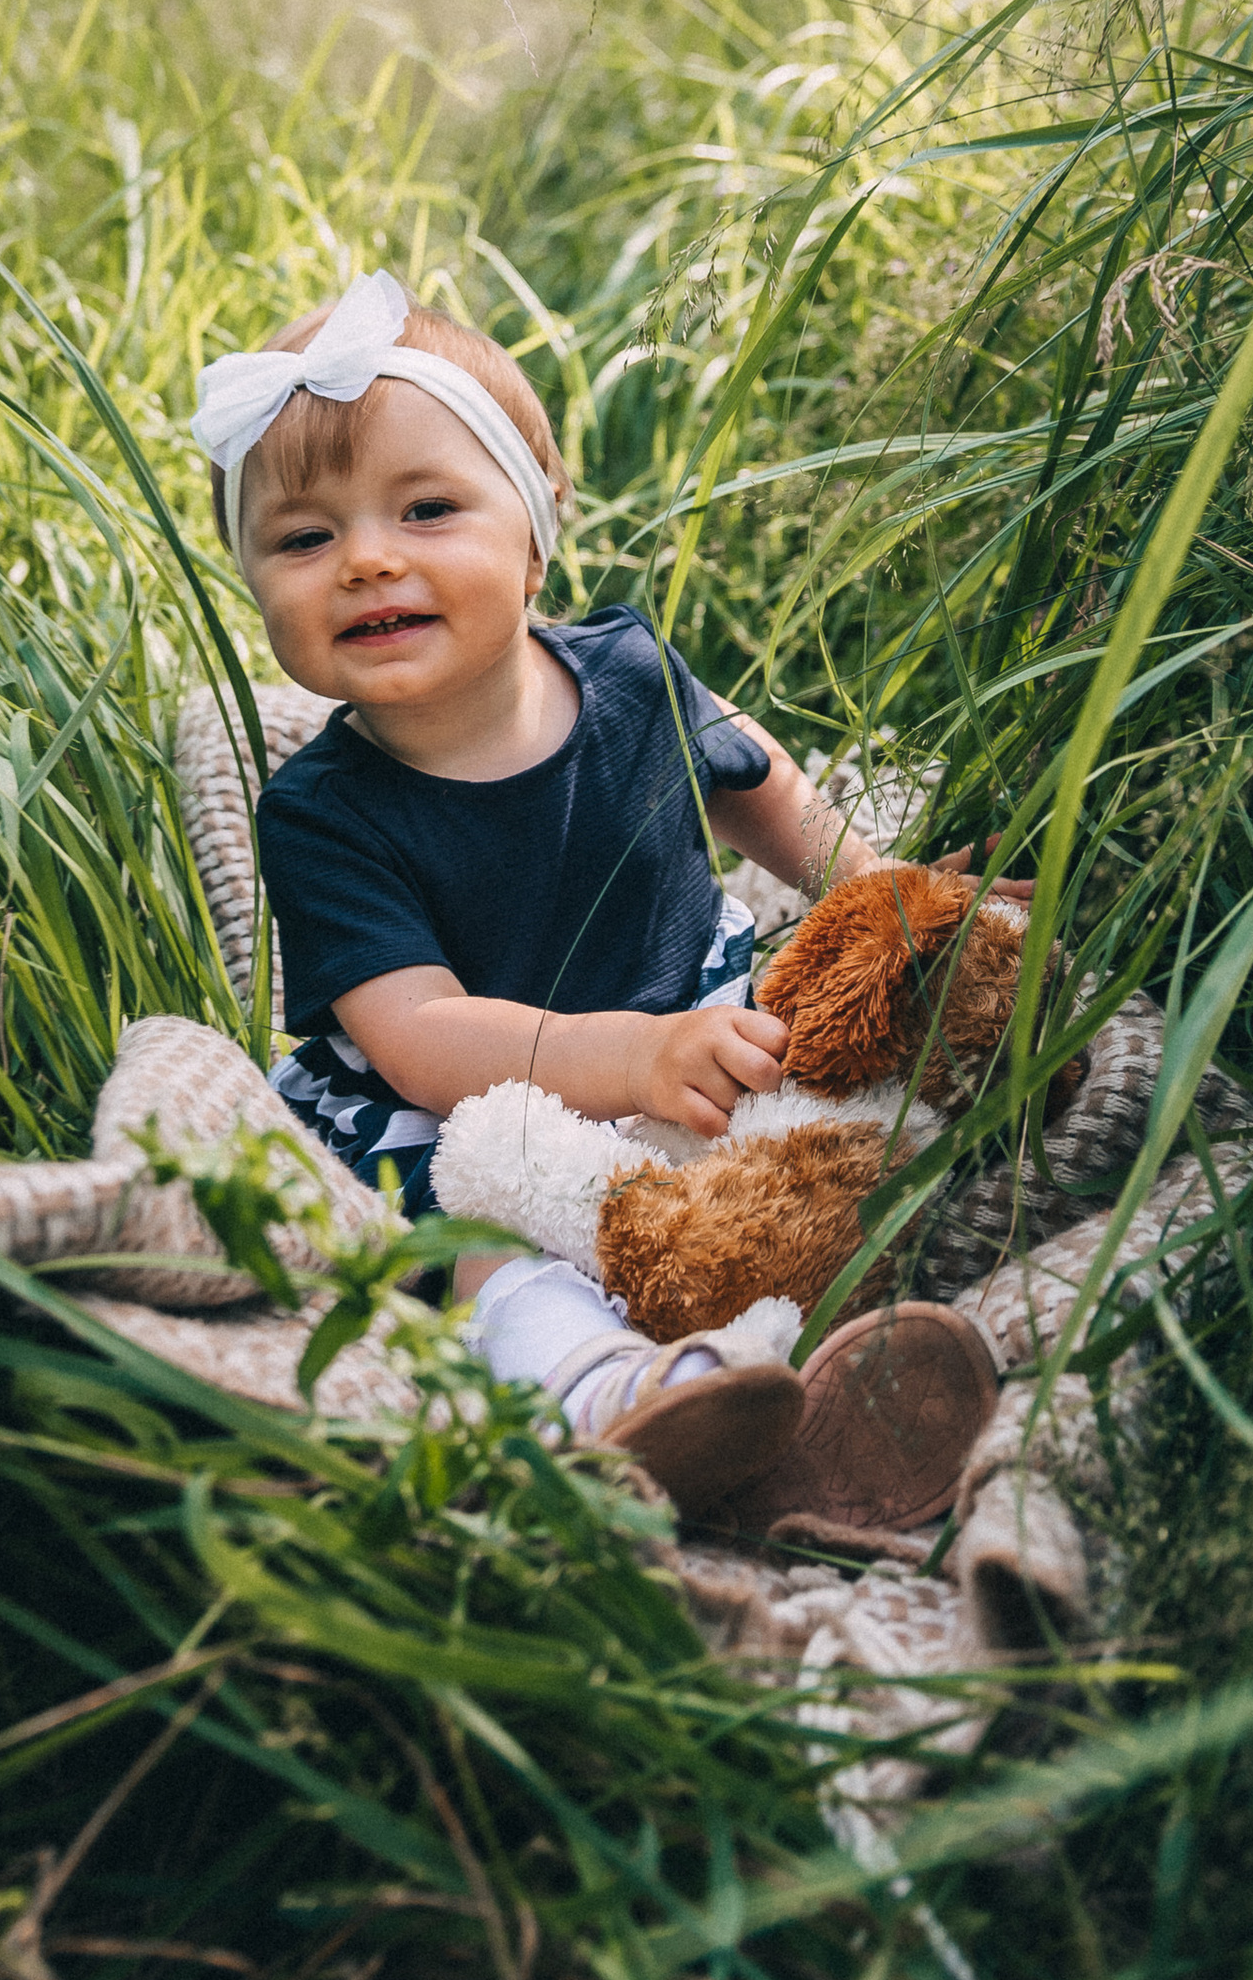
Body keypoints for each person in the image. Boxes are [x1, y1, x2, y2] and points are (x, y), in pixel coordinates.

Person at [188, 270, 915, 1517]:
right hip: (477, 1107)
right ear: (256, 584)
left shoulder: (627, 669)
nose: (365, 559)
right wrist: (626, 1062)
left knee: (829, 1130)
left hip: (689, 1016)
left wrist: (870, 887)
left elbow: (747, 778)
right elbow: (418, 1039)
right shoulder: (320, 812)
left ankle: (832, 1361)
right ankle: (609, 1396)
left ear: (534, 539)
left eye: (425, 509)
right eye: (303, 538)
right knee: (485, 1241)